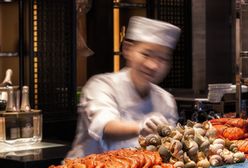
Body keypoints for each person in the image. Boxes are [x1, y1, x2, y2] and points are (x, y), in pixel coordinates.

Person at [67, 16, 181, 158]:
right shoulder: (101, 85)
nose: (153, 65)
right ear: (127, 49)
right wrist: (140, 127)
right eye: (146, 54)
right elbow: (105, 126)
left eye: (162, 59)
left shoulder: (166, 100)